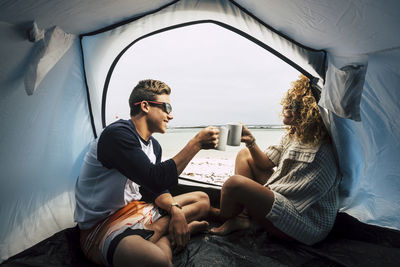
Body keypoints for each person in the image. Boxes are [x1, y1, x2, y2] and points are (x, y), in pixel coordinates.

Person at [74, 79, 219, 267]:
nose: (170, 115)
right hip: (102, 227)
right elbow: (154, 177)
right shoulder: (117, 135)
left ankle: (165, 231)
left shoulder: (154, 146)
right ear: (145, 106)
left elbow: (157, 188)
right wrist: (196, 144)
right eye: (167, 107)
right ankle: (168, 237)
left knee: (202, 199)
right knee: (159, 262)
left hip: (137, 211)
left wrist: (175, 210)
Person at [210, 75, 340, 246]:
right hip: (286, 198)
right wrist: (251, 141)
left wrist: (254, 194)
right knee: (244, 155)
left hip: (306, 220)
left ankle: (218, 214)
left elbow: (302, 192)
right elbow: (265, 163)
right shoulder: (294, 135)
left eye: (292, 104)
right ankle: (241, 219)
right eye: (287, 102)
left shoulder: (324, 148)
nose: (286, 107)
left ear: (307, 111)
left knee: (234, 185)